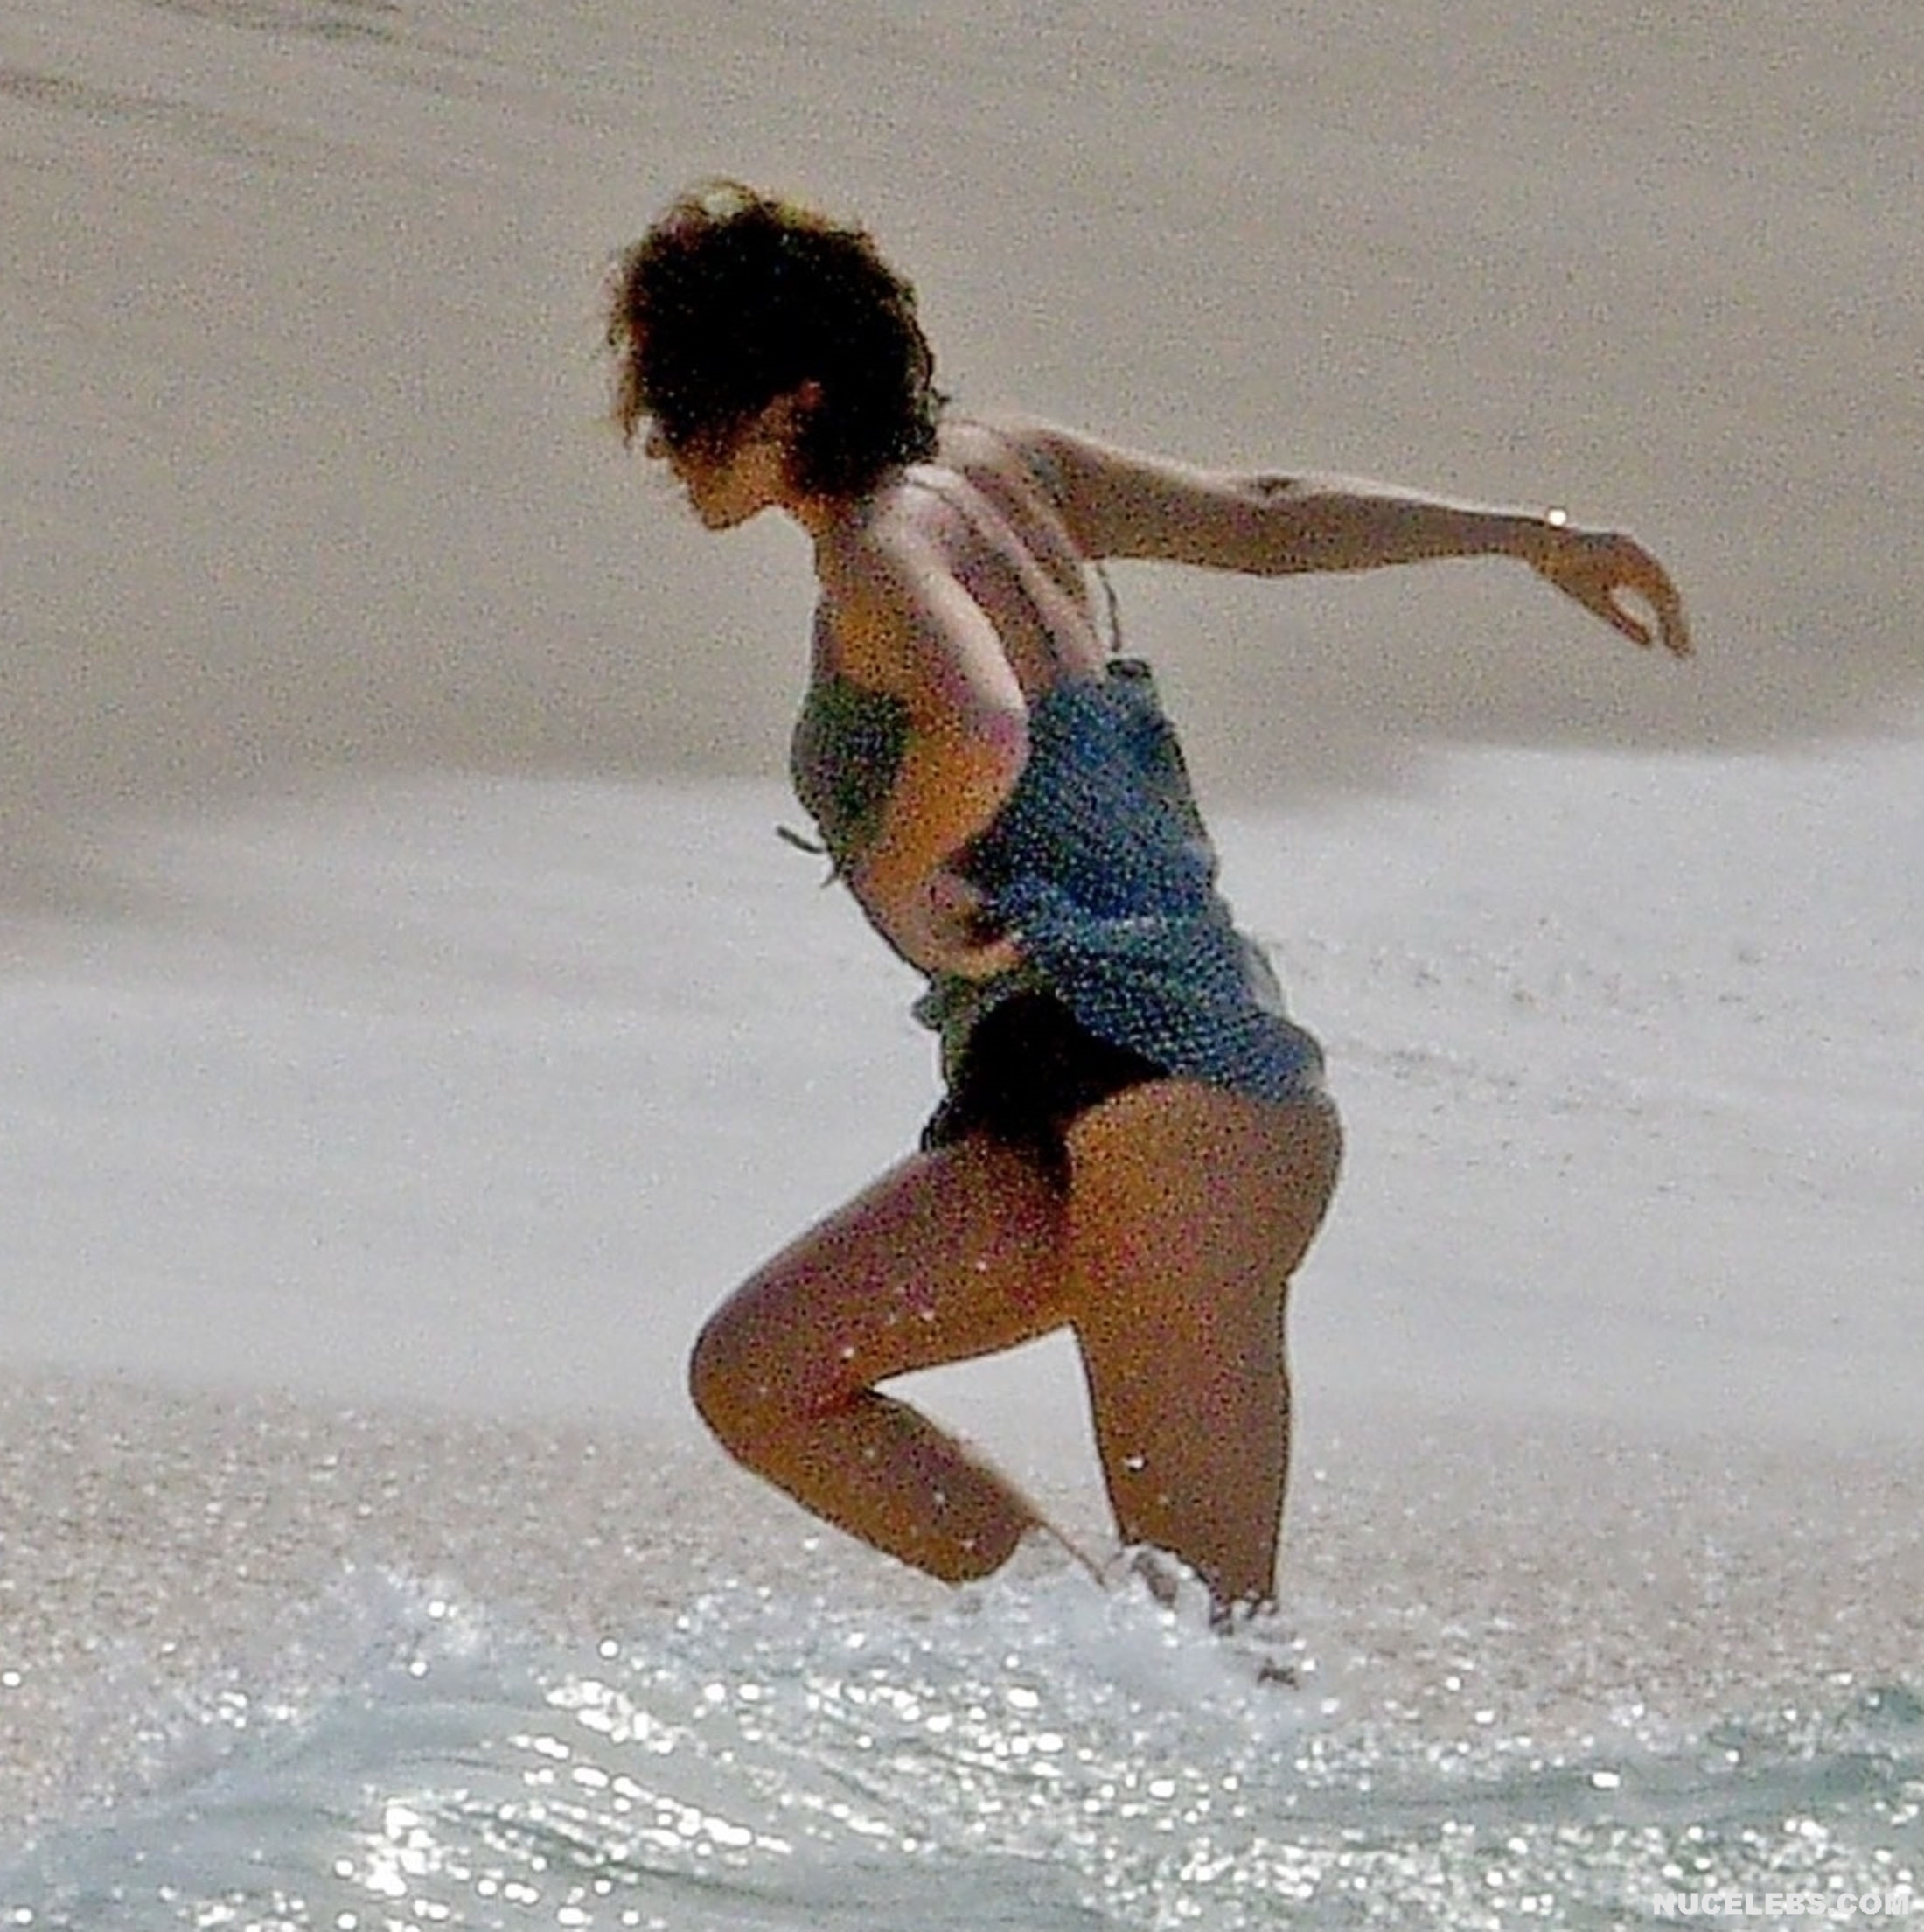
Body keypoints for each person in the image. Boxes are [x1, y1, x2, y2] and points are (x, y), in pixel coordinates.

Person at [603, 180, 1690, 1624]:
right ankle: (1083, 1649)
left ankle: (1155, 1689)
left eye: (681, 407)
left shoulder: (877, 547)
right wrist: (1529, 534)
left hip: (1171, 1107)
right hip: (1064, 1098)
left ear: (790, 405)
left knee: (1218, 1639)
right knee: (760, 1374)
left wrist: (900, 873)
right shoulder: (1010, 467)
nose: (661, 445)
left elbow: (980, 726)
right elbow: (1263, 515)